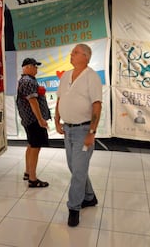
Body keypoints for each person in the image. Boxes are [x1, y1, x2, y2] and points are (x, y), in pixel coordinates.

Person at [55, 43, 102, 227]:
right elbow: (60, 98)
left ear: (86, 56)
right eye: (72, 52)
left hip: (83, 131)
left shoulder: (92, 77)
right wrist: (57, 120)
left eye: (75, 52)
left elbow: (97, 105)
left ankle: (74, 208)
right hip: (68, 129)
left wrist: (92, 132)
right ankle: (89, 197)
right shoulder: (66, 75)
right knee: (75, 168)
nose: (71, 54)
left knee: (78, 171)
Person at [16, 58, 51, 188]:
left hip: (30, 120)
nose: (37, 69)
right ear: (28, 67)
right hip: (34, 120)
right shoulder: (27, 81)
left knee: (31, 145)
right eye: (35, 66)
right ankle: (33, 178)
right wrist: (41, 119)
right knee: (35, 147)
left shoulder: (26, 81)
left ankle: (27, 172)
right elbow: (33, 102)